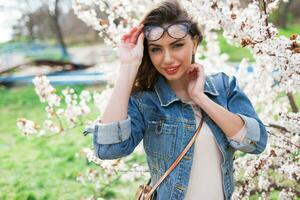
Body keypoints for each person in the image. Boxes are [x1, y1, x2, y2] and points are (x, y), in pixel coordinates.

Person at [83, 0, 268, 199]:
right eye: (156, 49)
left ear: (194, 43)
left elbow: (255, 143)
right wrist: (128, 64)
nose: (168, 59)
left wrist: (201, 98)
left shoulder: (224, 87)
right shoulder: (146, 102)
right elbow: (108, 149)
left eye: (177, 45)